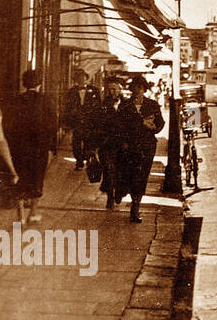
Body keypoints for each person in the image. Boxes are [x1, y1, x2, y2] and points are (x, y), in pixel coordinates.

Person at [2, 68, 57, 225]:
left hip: (19, 148)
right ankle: (32, 213)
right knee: (37, 178)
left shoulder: (15, 100)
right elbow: (53, 125)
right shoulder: (47, 101)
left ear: (24, 83)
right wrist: (50, 146)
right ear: (40, 83)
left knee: (19, 177)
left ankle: (20, 217)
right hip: (39, 148)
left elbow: (8, 125)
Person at [117, 75, 164, 223]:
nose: (137, 91)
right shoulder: (124, 105)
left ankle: (135, 207)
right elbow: (118, 126)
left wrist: (153, 128)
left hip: (146, 145)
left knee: (142, 176)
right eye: (135, 88)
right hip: (129, 146)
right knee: (130, 174)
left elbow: (160, 123)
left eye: (140, 88)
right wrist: (123, 141)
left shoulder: (152, 105)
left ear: (144, 89)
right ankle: (128, 195)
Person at [88, 78, 128, 210]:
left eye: (114, 89)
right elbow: (95, 126)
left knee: (121, 171)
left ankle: (119, 192)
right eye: (109, 89)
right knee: (109, 170)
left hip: (123, 145)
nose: (111, 92)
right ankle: (110, 196)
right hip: (106, 144)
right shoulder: (102, 107)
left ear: (119, 90)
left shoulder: (127, 105)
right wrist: (93, 147)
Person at [63, 70, 100, 170]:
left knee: (88, 142)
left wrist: (96, 121)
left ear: (86, 78)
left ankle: (88, 160)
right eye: (79, 77)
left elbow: (98, 106)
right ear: (76, 79)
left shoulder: (94, 90)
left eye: (83, 77)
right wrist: (68, 122)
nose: (81, 79)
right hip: (77, 121)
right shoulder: (71, 91)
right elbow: (67, 107)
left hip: (89, 121)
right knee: (76, 143)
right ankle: (79, 162)